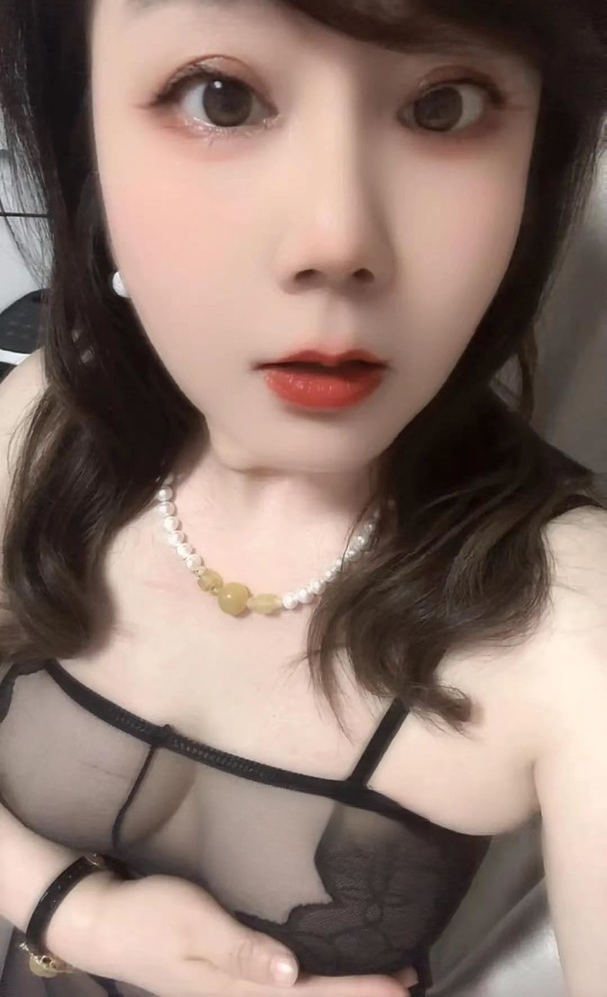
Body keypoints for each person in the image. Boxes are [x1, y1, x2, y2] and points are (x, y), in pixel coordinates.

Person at [0, 0, 605, 995]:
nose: (335, 239)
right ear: (84, 133)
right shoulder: (42, 423)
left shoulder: (574, 626)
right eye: (221, 99)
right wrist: (78, 913)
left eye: (443, 107)